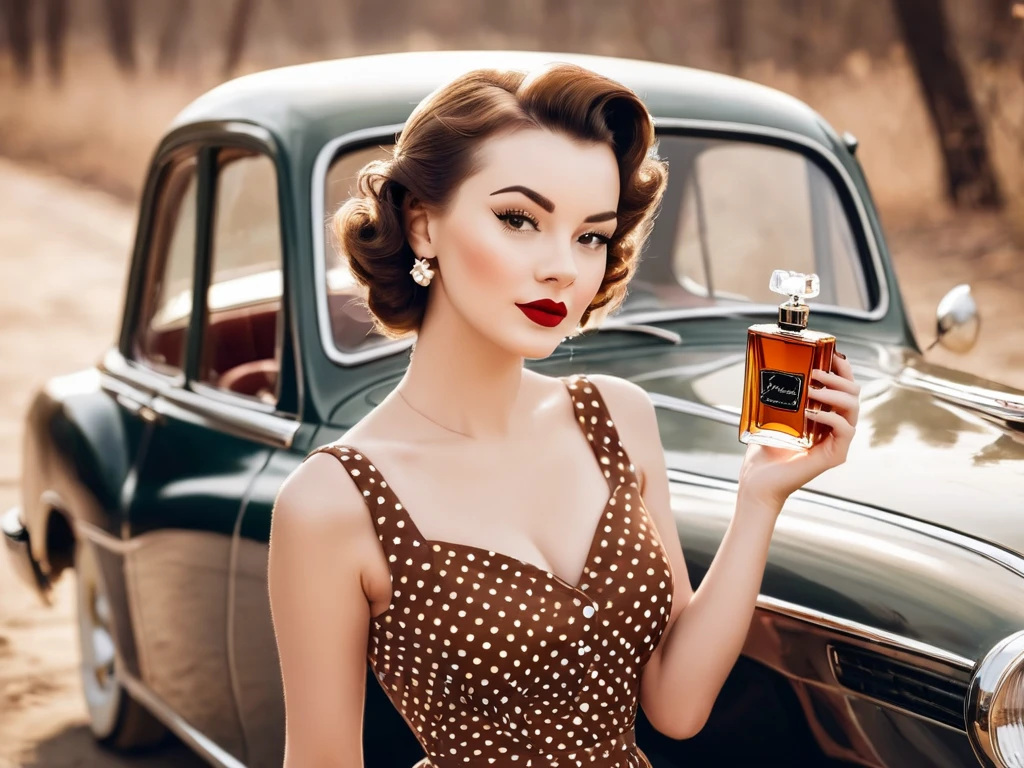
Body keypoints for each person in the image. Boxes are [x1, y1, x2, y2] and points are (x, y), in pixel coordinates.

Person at [267, 62, 860, 768]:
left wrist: (760, 498)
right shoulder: (332, 503)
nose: (563, 268)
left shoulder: (617, 418)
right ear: (423, 226)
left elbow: (675, 704)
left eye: (590, 236)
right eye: (520, 220)